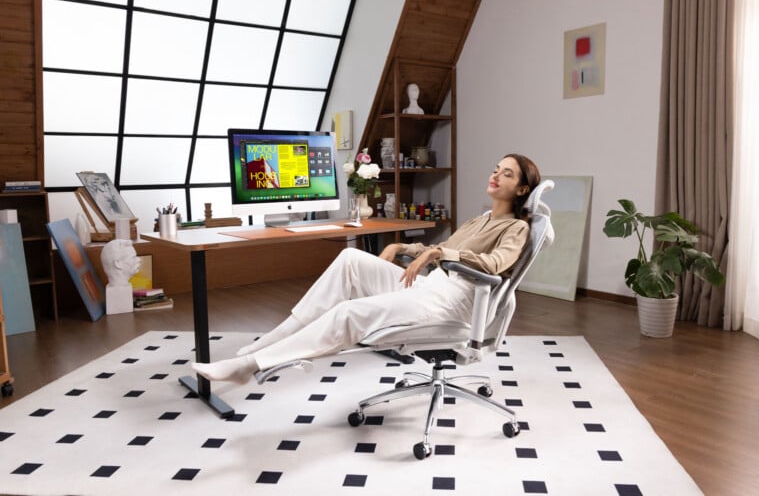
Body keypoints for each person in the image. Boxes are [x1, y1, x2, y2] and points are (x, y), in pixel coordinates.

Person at [192, 154, 541, 384]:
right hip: (431, 285)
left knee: (348, 312)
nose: (496, 175)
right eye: (496, 168)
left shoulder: (516, 228)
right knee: (351, 260)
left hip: (454, 301)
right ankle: (271, 341)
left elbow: (493, 265)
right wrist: (402, 247)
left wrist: (439, 252)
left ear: (522, 189)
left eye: (507, 173)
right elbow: (440, 251)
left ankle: (250, 366)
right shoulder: (480, 219)